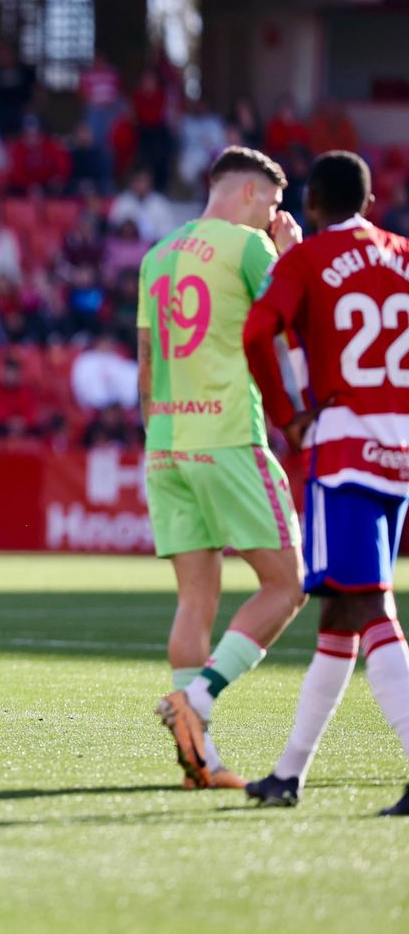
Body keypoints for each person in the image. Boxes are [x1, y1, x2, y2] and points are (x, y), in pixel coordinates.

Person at [241, 151, 409, 816]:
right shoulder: (402, 253)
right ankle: (288, 773)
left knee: (370, 606)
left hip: (342, 450)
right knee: (338, 612)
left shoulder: (306, 262)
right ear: (369, 203)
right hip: (399, 450)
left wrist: (288, 417)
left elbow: (259, 332)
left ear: (310, 204)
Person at [140, 147, 305, 789]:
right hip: (229, 436)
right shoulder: (247, 247)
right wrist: (290, 251)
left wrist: (158, 435)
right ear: (244, 193)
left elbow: (148, 362)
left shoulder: (158, 256)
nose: (273, 215)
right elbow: (298, 313)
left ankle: (197, 760)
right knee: (286, 584)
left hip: (167, 442)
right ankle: (198, 699)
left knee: (196, 598)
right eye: (270, 202)